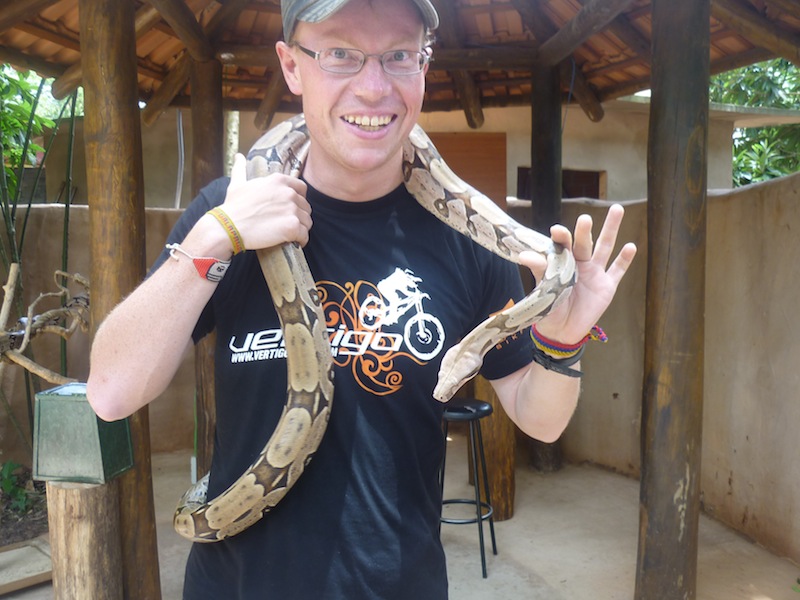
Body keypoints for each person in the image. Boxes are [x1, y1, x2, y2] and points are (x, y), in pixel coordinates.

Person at [86, 0, 637, 597]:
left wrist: (562, 338)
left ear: (424, 68)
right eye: (340, 54)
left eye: (399, 56)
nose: (373, 88)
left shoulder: (474, 239)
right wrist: (214, 236)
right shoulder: (230, 212)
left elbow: (541, 421)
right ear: (292, 67)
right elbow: (112, 394)